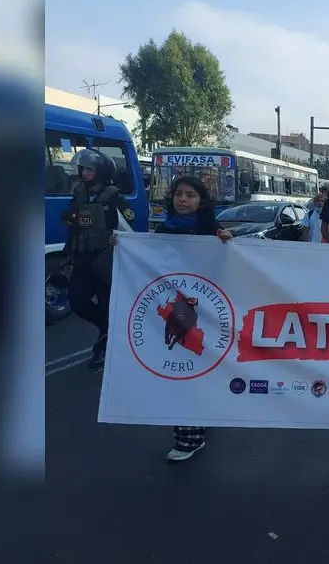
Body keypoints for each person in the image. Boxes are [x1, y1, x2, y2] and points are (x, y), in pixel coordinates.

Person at [110, 175, 232, 462]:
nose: (183, 200)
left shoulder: (212, 231)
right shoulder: (164, 229)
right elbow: (146, 254)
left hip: (208, 311)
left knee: (201, 366)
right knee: (182, 368)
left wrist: (228, 244)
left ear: (201, 201)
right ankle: (189, 435)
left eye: (191, 195)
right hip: (173, 308)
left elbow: (229, 265)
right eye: (179, 194)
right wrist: (124, 244)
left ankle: (198, 425)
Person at [61, 148, 136, 369]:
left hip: (105, 259)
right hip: (83, 258)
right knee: (78, 301)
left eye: (90, 169)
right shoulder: (79, 194)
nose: (84, 173)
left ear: (101, 171)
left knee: (107, 303)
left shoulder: (113, 196)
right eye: (83, 168)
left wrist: (116, 231)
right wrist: (68, 257)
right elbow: (70, 224)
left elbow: (131, 218)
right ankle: (109, 330)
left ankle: (104, 348)